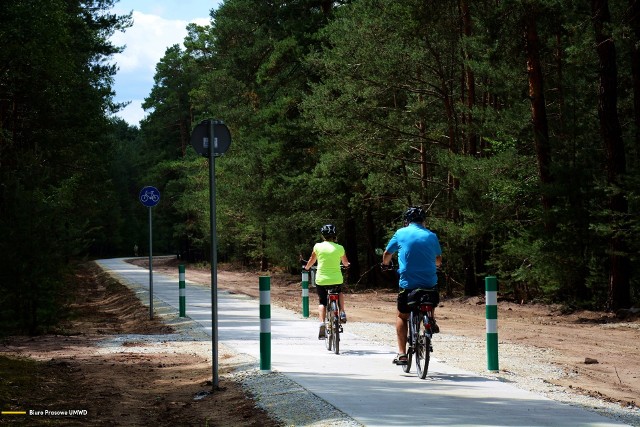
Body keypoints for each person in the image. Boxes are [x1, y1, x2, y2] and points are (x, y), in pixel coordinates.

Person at [381, 206, 442, 365]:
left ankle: (402, 354)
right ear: (424, 221)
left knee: (402, 315)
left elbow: (387, 254)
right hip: (429, 281)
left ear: (406, 221)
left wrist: (385, 265)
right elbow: (438, 260)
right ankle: (430, 320)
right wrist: (435, 266)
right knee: (430, 292)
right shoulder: (431, 235)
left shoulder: (401, 233)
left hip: (408, 282)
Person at [304, 224, 350, 339]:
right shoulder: (340, 248)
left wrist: (306, 268)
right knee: (339, 292)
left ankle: (322, 323)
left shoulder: (317, 246)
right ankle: (342, 311)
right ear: (334, 235)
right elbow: (345, 263)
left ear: (323, 235)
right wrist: (347, 265)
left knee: (322, 302)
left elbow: (312, 260)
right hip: (336, 279)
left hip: (321, 279)